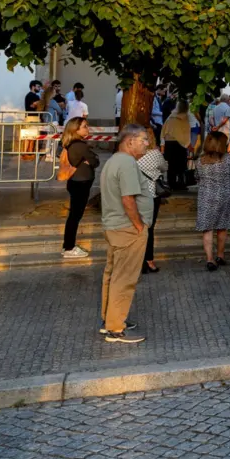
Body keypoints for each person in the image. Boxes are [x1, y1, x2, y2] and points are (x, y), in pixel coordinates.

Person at [99, 125, 153, 344]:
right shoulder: (127, 162)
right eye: (144, 139)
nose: (147, 143)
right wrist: (139, 226)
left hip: (115, 226)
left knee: (112, 275)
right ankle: (115, 328)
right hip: (127, 229)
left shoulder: (114, 160)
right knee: (125, 278)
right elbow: (128, 199)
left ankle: (110, 319)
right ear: (130, 141)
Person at [196, 130, 230, 271]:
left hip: (205, 197)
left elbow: (197, 178)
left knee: (207, 229)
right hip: (224, 196)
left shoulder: (200, 161)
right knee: (222, 228)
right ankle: (220, 255)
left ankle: (210, 259)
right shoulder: (229, 160)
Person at [60, 116, 98, 258]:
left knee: (75, 216)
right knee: (75, 216)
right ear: (76, 129)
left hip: (77, 182)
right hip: (80, 183)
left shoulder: (73, 143)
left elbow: (93, 160)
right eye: (84, 126)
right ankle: (69, 247)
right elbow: (95, 161)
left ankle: (69, 246)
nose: (88, 129)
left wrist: (91, 159)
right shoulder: (80, 146)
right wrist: (91, 160)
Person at [137, 131, 167, 275]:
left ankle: (136, 261)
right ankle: (148, 260)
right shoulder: (155, 154)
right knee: (149, 228)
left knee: (136, 228)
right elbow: (164, 168)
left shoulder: (132, 155)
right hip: (151, 195)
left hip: (135, 194)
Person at [161, 100, 193, 191]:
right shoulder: (186, 117)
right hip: (181, 144)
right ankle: (181, 183)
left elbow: (164, 130)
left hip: (170, 143)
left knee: (171, 165)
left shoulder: (171, 117)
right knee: (181, 165)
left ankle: (172, 184)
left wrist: (162, 144)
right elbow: (186, 132)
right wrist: (188, 144)